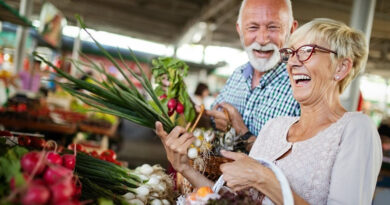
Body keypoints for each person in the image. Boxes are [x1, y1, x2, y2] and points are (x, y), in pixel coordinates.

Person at [156, 18, 382, 204]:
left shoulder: (355, 129)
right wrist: (185, 168)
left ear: (341, 67)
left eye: (306, 51)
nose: (292, 63)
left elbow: (260, 180)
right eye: (290, 53)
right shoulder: (275, 127)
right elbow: (234, 201)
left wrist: (263, 178)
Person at [203, 0, 300, 149]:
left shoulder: (301, 87)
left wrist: (241, 130)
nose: (262, 39)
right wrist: (214, 119)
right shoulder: (237, 75)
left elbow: (295, 160)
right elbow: (211, 118)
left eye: (273, 27)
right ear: (240, 29)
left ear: (292, 30)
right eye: (253, 27)